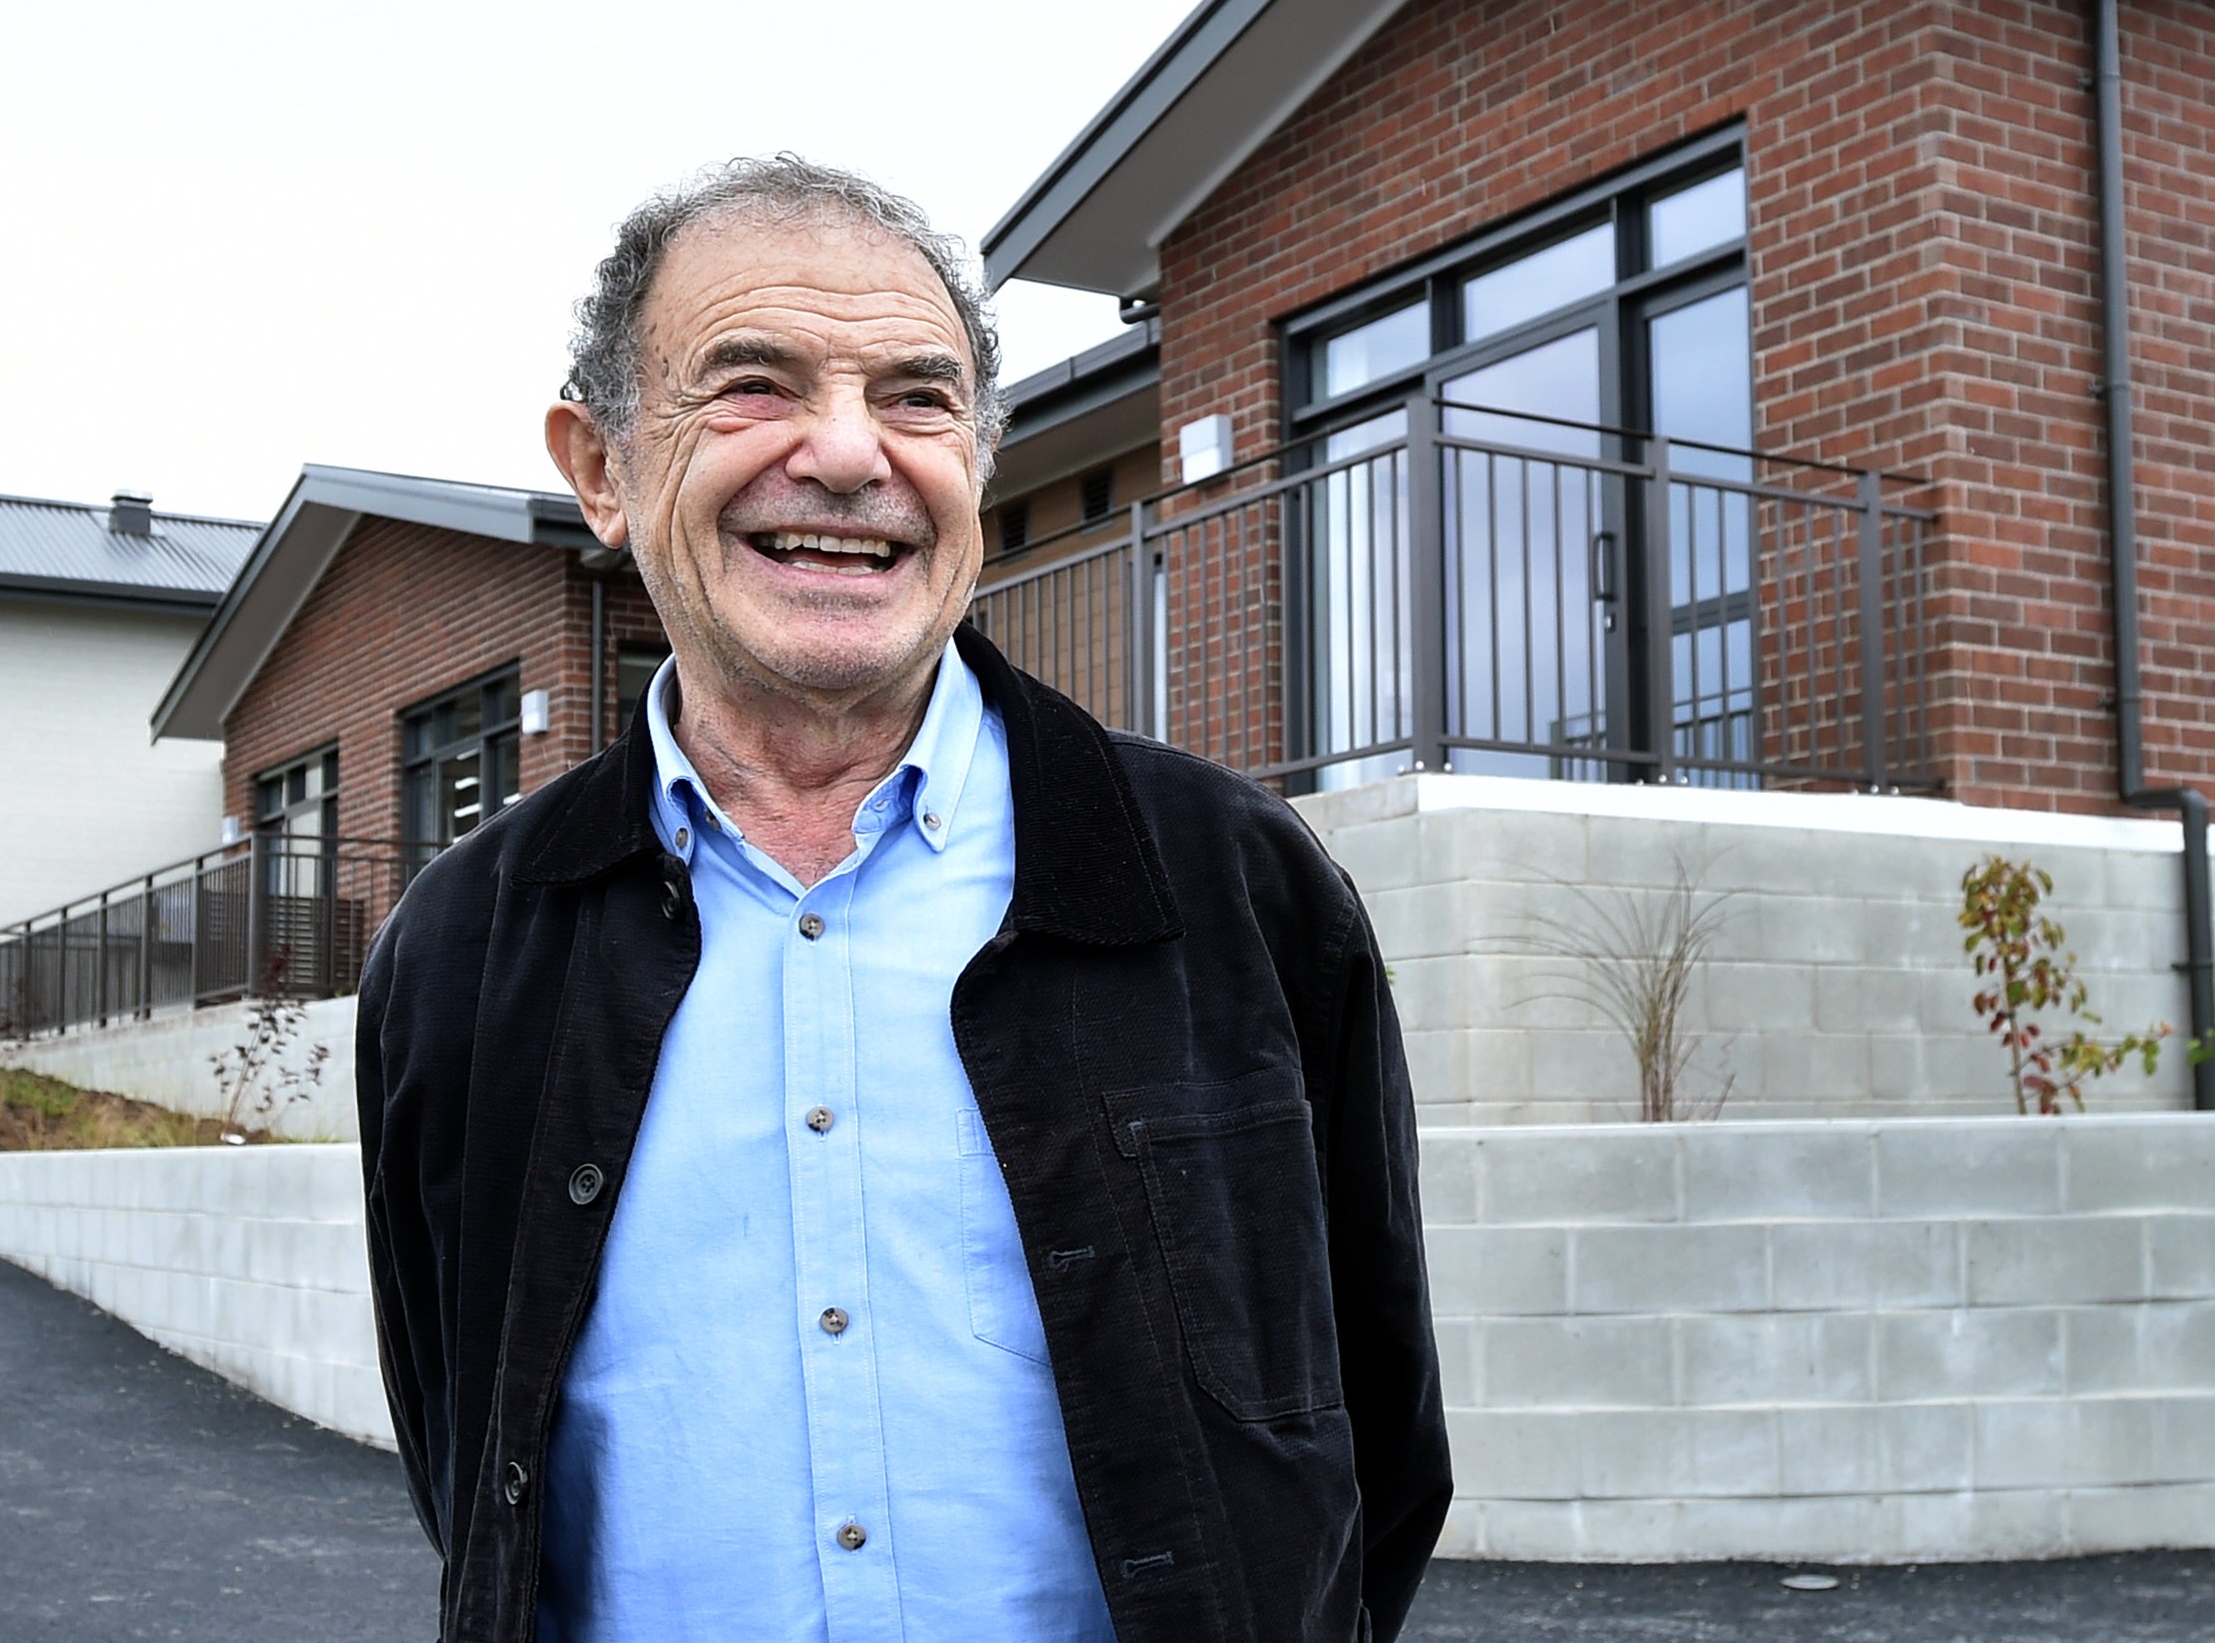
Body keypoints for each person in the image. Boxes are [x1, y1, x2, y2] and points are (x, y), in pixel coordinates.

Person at [356, 156, 1450, 1643]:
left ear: (980, 462)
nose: (853, 456)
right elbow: (463, 1439)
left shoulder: (1232, 884)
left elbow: (1373, 1445)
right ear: (601, 469)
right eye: (755, 383)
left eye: (920, 398)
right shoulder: (465, 947)